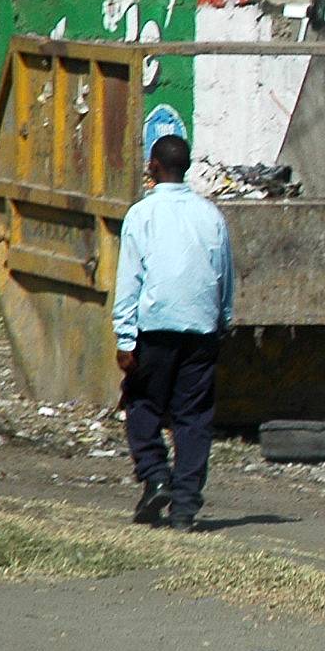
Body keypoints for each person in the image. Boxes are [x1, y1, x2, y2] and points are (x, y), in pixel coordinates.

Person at [113, 133, 235, 533]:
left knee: (143, 403)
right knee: (194, 418)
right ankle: (184, 506)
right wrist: (222, 322)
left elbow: (131, 278)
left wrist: (124, 337)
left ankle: (155, 476)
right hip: (201, 328)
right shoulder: (211, 215)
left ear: (153, 167)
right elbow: (225, 276)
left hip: (155, 328)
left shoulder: (141, 215)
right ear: (185, 168)